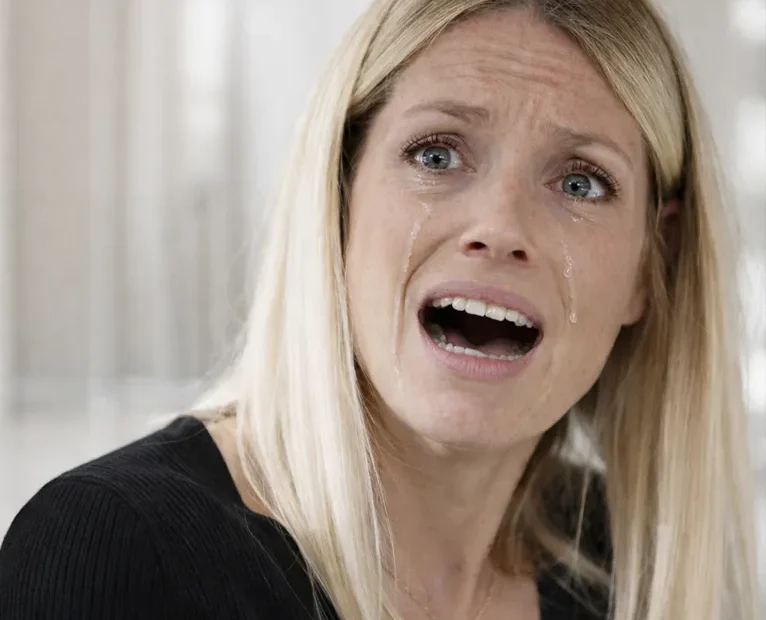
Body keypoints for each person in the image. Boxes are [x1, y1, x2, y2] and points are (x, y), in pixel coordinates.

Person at [0, 0, 759, 618]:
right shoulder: (114, 551)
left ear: (650, 266)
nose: (499, 226)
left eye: (581, 183)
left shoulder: (627, 569)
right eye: (436, 154)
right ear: (338, 200)